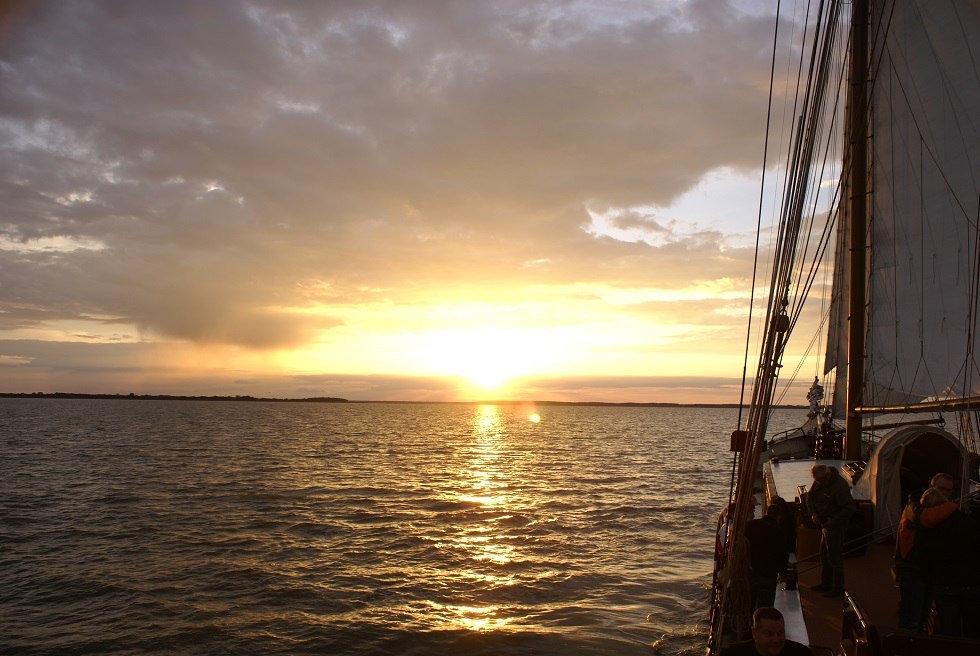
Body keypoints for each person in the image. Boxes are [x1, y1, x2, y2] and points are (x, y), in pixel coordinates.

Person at [917, 486, 980, 638]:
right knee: (974, 632)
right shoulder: (968, 522)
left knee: (949, 634)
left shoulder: (930, 528)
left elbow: (926, 557)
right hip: (971, 583)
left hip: (944, 583)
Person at [893, 485, 957, 631]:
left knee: (920, 614)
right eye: (942, 489)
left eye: (948, 489)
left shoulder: (928, 515)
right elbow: (927, 519)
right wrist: (952, 507)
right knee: (912, 617)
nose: (945, 493)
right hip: (913, 569)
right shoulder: (914, 513)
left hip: (924, 570)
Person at [805, 464, 854, 597]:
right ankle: (826, 583)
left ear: (827, 475)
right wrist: (813, 513)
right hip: (824, 524)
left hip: (835, 526)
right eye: (817, 481)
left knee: (834, 557)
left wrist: (832, 521)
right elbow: (810, 497)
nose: (818, 483)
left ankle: (838, 588)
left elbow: (849, 509)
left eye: (820, 480)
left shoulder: (839, 487)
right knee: (824, 555)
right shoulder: (820, 481)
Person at [746, 504, 789, 609]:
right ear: (779, 516)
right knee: (765, 607)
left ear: (766, 513)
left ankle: (750, 624)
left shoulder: (751, 525)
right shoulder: (779, 531)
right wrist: (783, 575)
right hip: (768, 575)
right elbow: (783, 555)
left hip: (751, 573)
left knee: (749, 606)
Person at [720, 607, 813, 656]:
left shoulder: (801, 653)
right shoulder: (732, 654)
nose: (776, 640)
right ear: (754, 633)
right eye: (769, 634)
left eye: (780, 633)